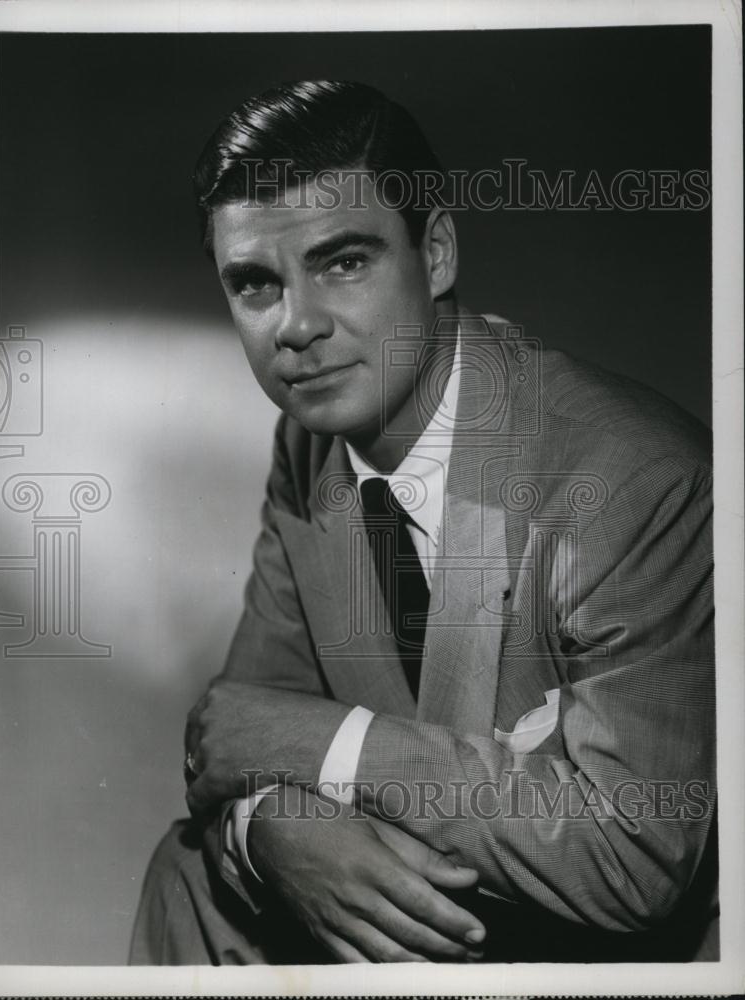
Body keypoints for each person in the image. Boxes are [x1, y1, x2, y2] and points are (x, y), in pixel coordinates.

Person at [130, 80, 717, 965]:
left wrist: (334, 746)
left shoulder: (629, 477)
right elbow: (240, 746)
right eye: (255, 283)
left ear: (436, 252)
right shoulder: (308, 449)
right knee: (187, 875)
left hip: (610, 955)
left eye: (343, 262)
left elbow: (639, 855)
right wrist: (276, 833)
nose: (296, 325)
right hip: (431, 911)